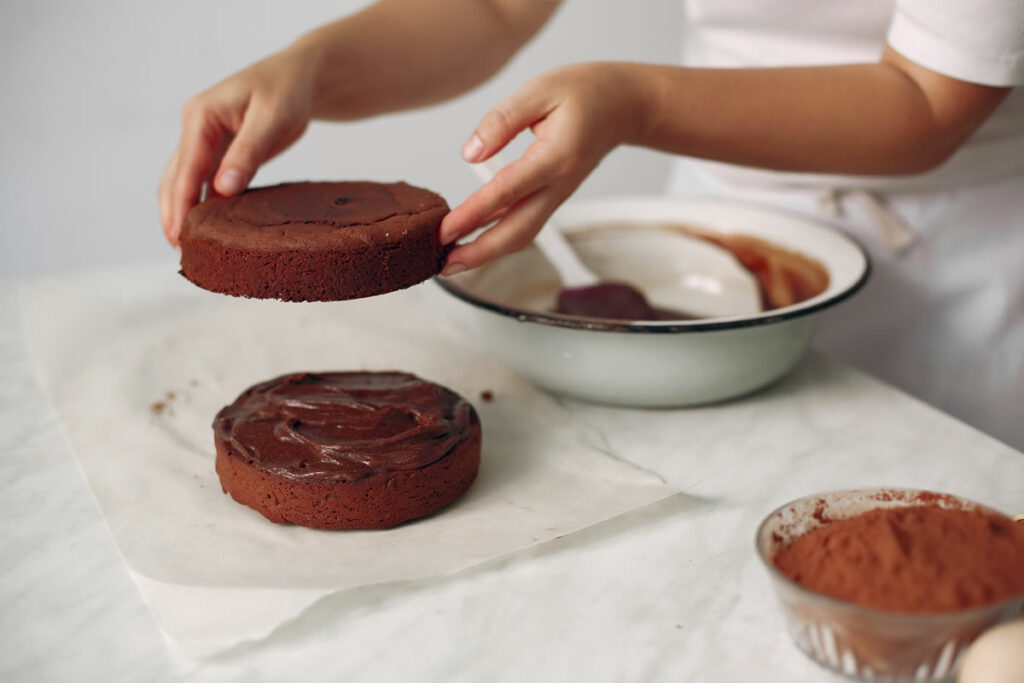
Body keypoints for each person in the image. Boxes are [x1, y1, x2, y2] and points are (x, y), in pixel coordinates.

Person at [158, 0, 1024, 449]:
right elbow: (492, 9)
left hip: (953, 269)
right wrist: (311, 66)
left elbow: (928, 102)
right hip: (712, 213)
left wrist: (634, 102)